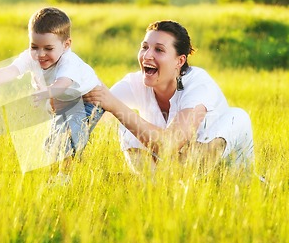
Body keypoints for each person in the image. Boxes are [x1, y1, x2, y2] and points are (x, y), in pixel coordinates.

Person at [84, 20, 254, 174]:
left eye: (159, 50)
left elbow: (169, 144)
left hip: (219, 175)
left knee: (237, 116)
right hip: (169, 177)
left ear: (179, 61)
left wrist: (115, 105)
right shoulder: (134, 82)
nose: (147, 55)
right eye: (144, 47)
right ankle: (155, 188)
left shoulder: (198, 84)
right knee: (127, 124)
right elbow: (92, 113)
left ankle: (175, 182)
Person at [0, 7, 104, 183]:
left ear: (66, 45)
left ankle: (64, 177)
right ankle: (63, 174)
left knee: (69, 136)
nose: (40, 54)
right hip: (61, 100)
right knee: (52, 143)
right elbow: (12, 70)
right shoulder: (32, 57)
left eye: (48, 48)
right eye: (34, 47)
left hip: (88, 100)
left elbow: (62, 84)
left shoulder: (70, 62)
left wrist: (47, 92)